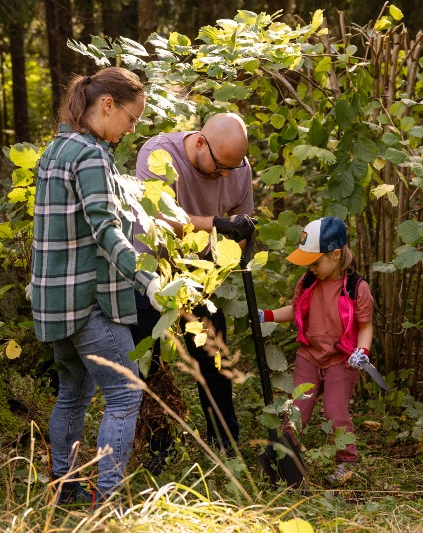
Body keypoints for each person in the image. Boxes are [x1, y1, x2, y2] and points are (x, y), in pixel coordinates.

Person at [30, 66, 162, 504]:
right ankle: (108, 499)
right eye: (132, 117)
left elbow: (48, 230)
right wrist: (147, 280)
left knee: (74, 392)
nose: (132, 128)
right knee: (126, 393)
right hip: (88, 302)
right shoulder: (90, 155)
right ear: (107, 104)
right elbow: (106, 230)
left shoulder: (54, 150)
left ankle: (64, 489)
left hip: (54, 303)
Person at [131, 113, 256, 474]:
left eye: (234, 168)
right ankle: (159, 448)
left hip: (201, 274)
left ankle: (223, 443)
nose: (226, 177)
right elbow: (158, 217)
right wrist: (217, 223)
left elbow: (243, 223)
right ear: (200, 142)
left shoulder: (236, 167)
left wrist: (234, 245)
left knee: (213, 359)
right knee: (150, 362)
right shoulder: (158, 154)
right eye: (219, 168)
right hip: (151, 272)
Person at [257, 217, 374, 486]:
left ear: (335, 254)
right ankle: (284, 459)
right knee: (296, 410)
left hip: (340, 360)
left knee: (335, 412)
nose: (311, 267)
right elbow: (294, 309)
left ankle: (347, 462)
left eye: (315, 261)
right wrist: (267, 315)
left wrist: (362, 350)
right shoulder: (309, 281)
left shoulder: (357, 288)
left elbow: (365, 326)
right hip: (308, 355)